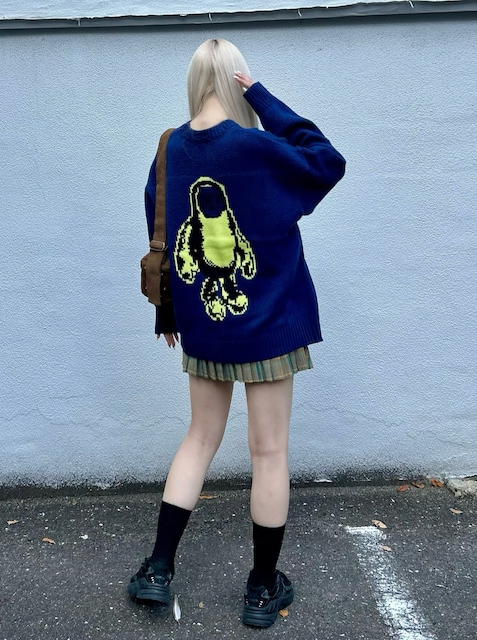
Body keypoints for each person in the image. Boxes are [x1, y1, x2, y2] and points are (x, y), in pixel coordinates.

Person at [128, 38, 345, 628]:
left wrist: (167, 316)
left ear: (195, 81)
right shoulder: (260, 146)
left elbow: (162, 237)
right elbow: (326, 160)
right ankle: (260, 590)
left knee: (199, 438)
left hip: (207, 329)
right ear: (236, 81)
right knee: (268, 451)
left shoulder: (169, 149)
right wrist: (265, 100)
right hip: (271, 325)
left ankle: (157, 570)